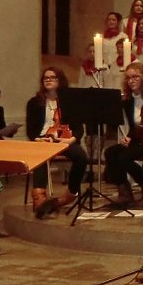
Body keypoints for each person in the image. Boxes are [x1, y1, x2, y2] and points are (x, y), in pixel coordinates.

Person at [26, 67, 88, 218]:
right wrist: (39, 139)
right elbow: (31, 130)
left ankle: (71, 193)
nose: (48, 80)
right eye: (45, 78)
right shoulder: (34, 103)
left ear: (60, 81)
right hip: (42, 140)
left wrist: (70, 141)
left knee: (81, 156)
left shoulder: (69, 102)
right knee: (41, 154)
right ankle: (40, 199)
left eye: (52, 77)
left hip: (63, 139)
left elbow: (79, 130)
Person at [102, 62, 143, 208]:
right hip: (138, 138)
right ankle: (125, 193)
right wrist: (128, 137)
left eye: (135, 77)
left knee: (123, 157)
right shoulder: (128, 100)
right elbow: (135, 126)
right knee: (110, 153)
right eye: (128, 78)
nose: (131, 81)